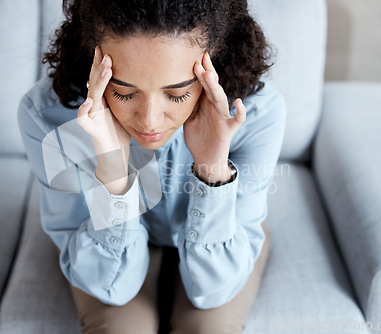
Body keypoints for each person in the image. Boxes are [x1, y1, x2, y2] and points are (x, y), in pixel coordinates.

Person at [17, 0, 286, 332]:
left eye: (176, 95)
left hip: (222, 235)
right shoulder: (48, 117)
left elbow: (213, 291)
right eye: (125, 93)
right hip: (101, 242)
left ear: (212, 63)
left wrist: (212, 167)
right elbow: (111, 287)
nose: (149, 121)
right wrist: (114, 169)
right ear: (95, 59)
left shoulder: (257, 113)